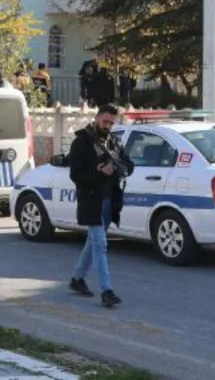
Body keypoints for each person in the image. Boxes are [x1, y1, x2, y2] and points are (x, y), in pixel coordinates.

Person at [66, 104, 133, 307]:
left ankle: (77, 279)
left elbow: (129, 165)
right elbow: (75, 175)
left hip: (109, 200)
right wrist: (98, 171)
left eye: (112, 123)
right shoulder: (82, 142)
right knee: (100, 245)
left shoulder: (114, 142)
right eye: (105, 122)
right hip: (91, 200)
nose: (108, 126)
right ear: (97, 118)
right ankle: (107, 291)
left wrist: (118, 168)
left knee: (93, 243)